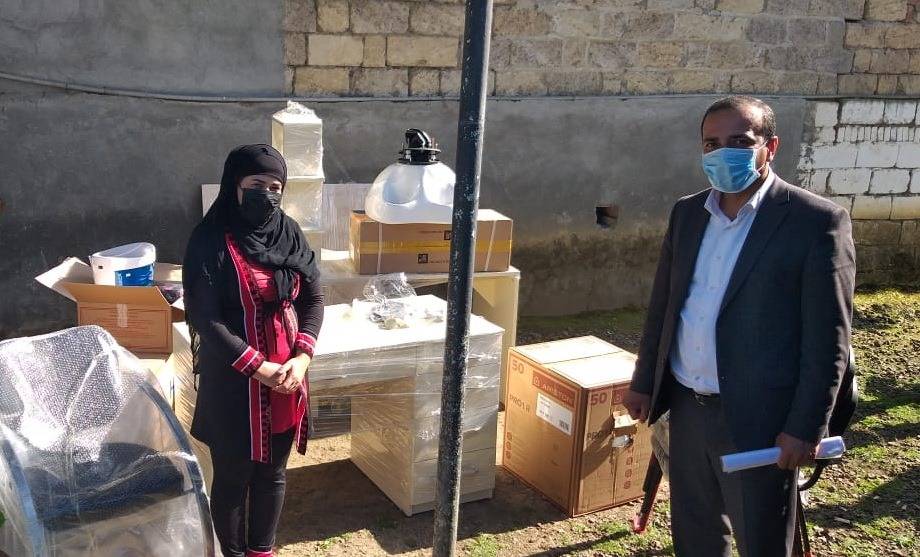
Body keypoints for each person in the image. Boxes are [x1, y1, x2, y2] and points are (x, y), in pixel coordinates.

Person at [623, 96, 855, 557]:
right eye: (711, 144)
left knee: (760, 539)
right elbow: (664, 307)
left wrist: (805, 427)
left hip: (760, 420)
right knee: (696, 533)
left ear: (771, 147)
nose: (723, 153)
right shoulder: (688, 213)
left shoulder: (815, 222)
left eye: (739, 142)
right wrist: (644, 381)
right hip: (687, 407)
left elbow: (828, 340)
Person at [183, 144, 323, 557]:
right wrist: (259, 368)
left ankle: (262, 551)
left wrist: (301, 358)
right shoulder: (209, 240)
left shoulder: (288, 232)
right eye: (258, 183)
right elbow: (205, 318)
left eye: (276, 187)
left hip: (287, 377)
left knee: (272, 474)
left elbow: (313, 299)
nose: (268, 193)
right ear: (235, 184)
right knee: (233, 478)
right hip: (234, 382)